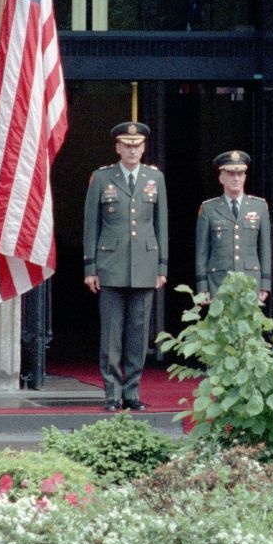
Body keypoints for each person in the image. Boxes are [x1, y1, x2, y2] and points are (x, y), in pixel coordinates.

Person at [83, 121, 169, 413]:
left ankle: (132, 392)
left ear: (144, 147)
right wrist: (90, 267)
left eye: (137, 145)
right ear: (118, 147)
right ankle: (111, 393)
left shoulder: (154, 178)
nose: (133, 150)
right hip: (110, 265)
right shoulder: (101, 177)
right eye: (127, 145)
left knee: (138, 333)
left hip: (145, 265)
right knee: (111, 334)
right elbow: (90, 226)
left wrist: (162, 266)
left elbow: (161, 224)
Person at [194, 150, 271, 303]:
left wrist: (265, 284)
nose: (236, 178)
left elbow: (264, 249)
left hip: (250, 281)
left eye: (240, 174)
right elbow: (202, 251)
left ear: (245, 176)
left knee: (249, 326)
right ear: (221, 177)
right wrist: (202, 286)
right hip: (219, 282)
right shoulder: (209, 209)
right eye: (230, 174)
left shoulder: (259, 207)